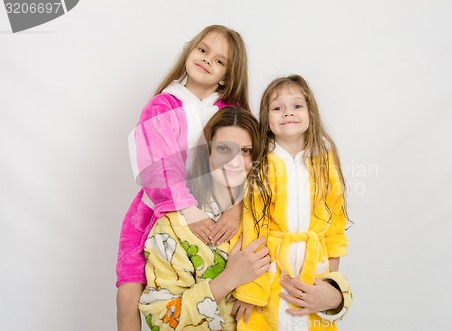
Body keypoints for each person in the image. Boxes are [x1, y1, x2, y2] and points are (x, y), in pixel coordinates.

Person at [116, 25, 250, 331]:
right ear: (190, 51)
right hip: (155, 212)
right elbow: (160, 166)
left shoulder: (230, 111)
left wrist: (235, 208)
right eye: (203, 50)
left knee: (215, 290)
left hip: (219, 210)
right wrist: (191, 212)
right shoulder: (162, 106)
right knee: (127, 296)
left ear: (227, 76)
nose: (206, 60)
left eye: (219, 60)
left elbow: (248, 162)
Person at [232, 75, 352, 330]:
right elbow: (253, 226)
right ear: (267, 118)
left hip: (313, 267)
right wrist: (251, 289)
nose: (288, 112)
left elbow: (335, 227)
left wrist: (330, 282)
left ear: (310, 112)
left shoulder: (324, 158)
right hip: (270, 271)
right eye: (278, 108)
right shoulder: (260, 162)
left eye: (297, 106)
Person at [139, 107, 270, 330]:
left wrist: (335, 297)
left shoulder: (272, 213)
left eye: (246, 151)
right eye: (223, 149)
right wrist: (229, 279)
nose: (236, 162)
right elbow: (161, 320)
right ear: (206, 152)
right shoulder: (172, 227)